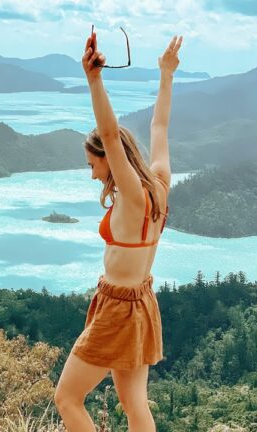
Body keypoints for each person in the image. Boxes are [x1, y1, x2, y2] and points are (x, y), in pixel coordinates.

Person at [54, 29, 183, 432]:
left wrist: (94, 79)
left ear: (111, 161)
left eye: (94, 164)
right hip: (142, 301)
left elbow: (110, 134)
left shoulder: (131, 196)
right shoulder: (159, 185)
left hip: (117, 308)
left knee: (67, 398)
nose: (92, 173)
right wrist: (166, 74)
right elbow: (159, 129)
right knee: (133, 403)